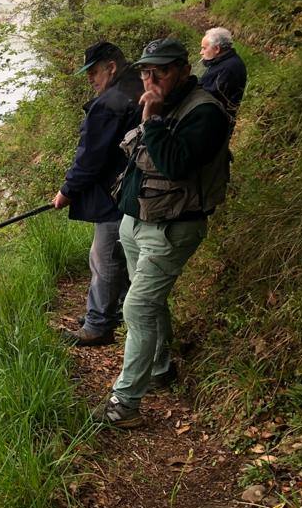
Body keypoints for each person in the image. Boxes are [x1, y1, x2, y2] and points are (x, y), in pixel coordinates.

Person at [93, 38, 231, 428]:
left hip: (172, 228)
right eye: (145, 71)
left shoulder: (206, 113)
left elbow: (173, 165)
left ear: (185, 71)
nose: (150, 79)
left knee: (137, 306)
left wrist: (151, 120)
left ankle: (125, 405)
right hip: (138, 220)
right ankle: (160, 368)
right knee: (148, 302)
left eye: (161, 71)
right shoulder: (163, 103)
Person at [52, 41, 142, 346]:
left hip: (115, 195)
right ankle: (112, 312)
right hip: (135, 191)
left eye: (93, 71)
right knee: (120, 255)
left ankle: (98, 325)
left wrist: (67, 191)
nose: (90, 78)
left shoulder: (111, 103)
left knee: (104, 257)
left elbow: (90, 158)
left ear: (111, 67)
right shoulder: (138, 85)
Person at [199, 27, 247, 121]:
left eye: (204, 48)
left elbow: (209, 97)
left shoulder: (228, 69)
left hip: (215, 122)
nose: (201, 52)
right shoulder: (221, 63)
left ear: (217, 49)